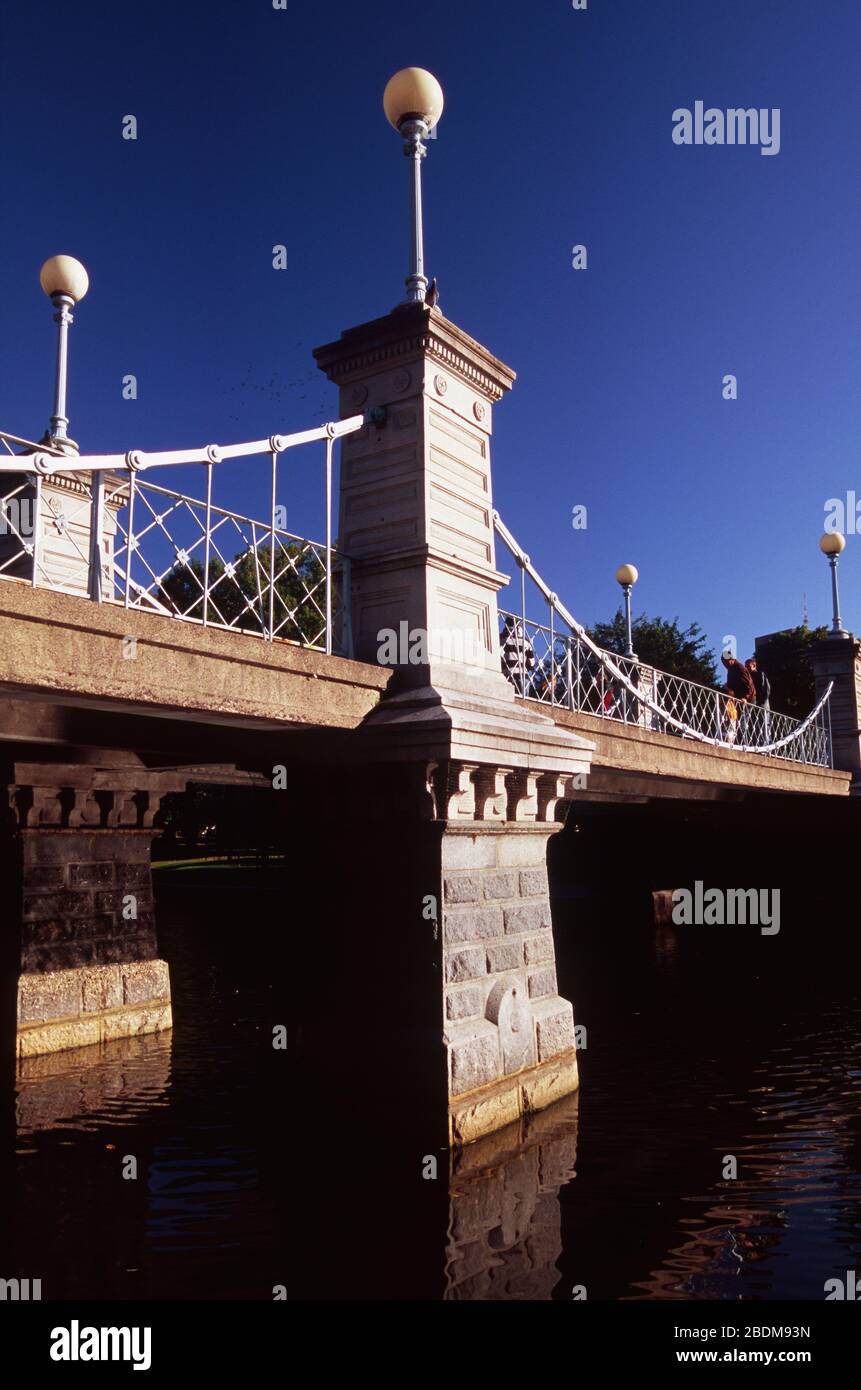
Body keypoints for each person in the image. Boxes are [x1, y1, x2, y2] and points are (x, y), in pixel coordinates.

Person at [721, 654, 756, 744]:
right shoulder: (731, 669)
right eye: (723, 663)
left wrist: (746, 697)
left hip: (747, 698)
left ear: (732, 659)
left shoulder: (739, 667)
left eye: (726, 662)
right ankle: (738, 742)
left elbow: (749, 684)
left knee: (742, 722)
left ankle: (743, 744)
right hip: (738, 699)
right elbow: (730, 685)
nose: (725, 664)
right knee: (736, 720)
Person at [500, 615, 536, 696]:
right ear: (519, 625)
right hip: (522, 677)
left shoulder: (499, 638)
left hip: (505, 677)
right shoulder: (525, 641)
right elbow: (532, 662)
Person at [745, 657, 771, 744]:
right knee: (755, 725)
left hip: (762, 704)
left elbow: (766, 689)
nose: (747, 669)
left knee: (764, 724)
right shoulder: (748, 678)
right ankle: (757, 744)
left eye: (748, 666)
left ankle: (765, 744)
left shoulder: (760, 674)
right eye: (746, 667)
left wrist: (761, 702)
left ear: (754, 665)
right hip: (754, 704)